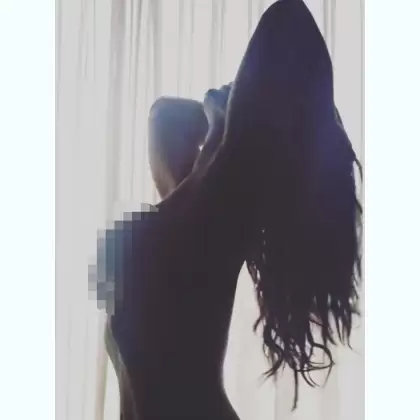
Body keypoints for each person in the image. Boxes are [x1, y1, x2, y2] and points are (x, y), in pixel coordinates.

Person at [95, 0, 362, 418]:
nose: (234, 79)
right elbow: (163, 114)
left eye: (246, 73)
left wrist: (225, 119)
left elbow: (288, 18)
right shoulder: (193, 187)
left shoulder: (223, 208)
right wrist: (220, 120)